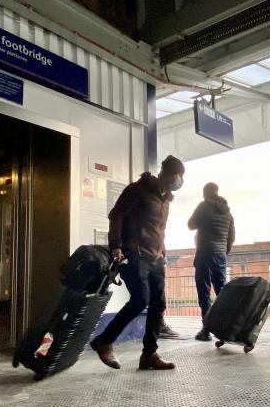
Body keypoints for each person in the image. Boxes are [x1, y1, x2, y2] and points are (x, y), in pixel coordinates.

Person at [90, 155, 185, 370]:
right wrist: (116, 246)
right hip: (135, 254)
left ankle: (149, 355)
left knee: (158, 305)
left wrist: (163, 252)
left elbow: (159, 229)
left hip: (156, 258)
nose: (180, 181)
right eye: (178, 176)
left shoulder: (165, 198)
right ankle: (104, 341)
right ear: (166, 174)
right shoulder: (137, 190)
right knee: (141, 299)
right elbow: (116, 216)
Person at [187, 182, 235, 341]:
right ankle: (226, 328)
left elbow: (191, 225)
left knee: (204, 292)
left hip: (205, 253)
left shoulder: (204, 206)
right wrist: (223, 251)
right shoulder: (228, 212)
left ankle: (206, 330)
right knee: (222, 291)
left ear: (205, 192)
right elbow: (231, 237)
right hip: (220, 255)